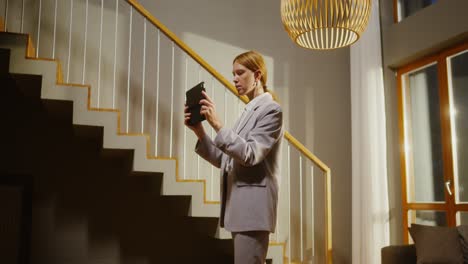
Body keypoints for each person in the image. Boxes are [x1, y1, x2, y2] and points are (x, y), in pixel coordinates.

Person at [184, 50, 283, 264]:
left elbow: (250, 155)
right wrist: (199, 130)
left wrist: (217, 124)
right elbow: (226, 160)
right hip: (239, 211)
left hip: (252, 213)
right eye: (233, 74)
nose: (235, 79)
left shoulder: (272, 110)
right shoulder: (248, 112)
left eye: (240, 73)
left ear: (257, 76)